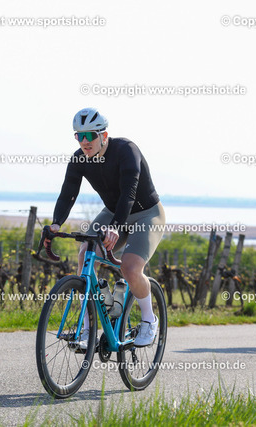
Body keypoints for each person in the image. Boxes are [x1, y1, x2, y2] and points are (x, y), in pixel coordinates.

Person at [45, 107, 165, 348]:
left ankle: (149, 320)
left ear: (104, 135)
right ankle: (87, 330)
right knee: (85, 256)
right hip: (112, 212)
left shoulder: (126, 150)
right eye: (79, 136)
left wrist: (116, 227)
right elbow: (68, 193)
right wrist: (56, 223)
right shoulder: (79, 158)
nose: (84, 142)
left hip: (145, 214)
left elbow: (129, 193)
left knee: (130, 268)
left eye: (90, 135)